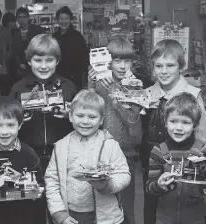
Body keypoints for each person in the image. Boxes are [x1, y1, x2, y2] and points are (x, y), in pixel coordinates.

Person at [140, 39, 206, 224]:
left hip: (187, 168)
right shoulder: (146, 94)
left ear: (181, 66)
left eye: (170, 65)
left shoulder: (193, 95)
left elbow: (202, 135)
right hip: (153, 163)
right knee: (152, 212)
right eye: (158, 66)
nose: (164, 71)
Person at [45, 89, 131, 224]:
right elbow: (52, 181)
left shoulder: (110, 145)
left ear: (101, 120)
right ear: (70, 116)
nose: (85, 121)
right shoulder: (60, 147)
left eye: (92, 117)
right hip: (71, 214)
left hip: (105, 217)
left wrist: (107, 185)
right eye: (80, 116)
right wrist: (59, 213)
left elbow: (124, 175)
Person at [88, 37, 142, 224]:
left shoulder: (136, 87)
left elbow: (136, 134)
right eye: (117, 60)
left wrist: (115, 96)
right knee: (99, 212)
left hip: (125, 157)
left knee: (126, 211)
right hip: (97, 156)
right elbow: (87, 119)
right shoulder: (98, 84)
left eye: (127, 61)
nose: (122, 66)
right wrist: (90, 88)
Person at [10, 34, 77, 173]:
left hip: (63, 155)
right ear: (29, 61)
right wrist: (17, 120)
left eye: (49, 60)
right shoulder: (18, 89)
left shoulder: (68, 87)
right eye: (38, 60)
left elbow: (84, 121)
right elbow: (5, 123)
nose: (44, 66)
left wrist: (70, 117)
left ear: (57, 61)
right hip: (28, 155)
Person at [0, 96, 46, 224]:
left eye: (11, 125)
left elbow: (40, 186)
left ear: (20, 125)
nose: (5, 132)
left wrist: (35, 190)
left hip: (25, 218)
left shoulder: (29, 154)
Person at [146, 92, 206, 224]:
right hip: (164, 219)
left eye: (186, 122)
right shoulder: (158, 152)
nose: (179, 128)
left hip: (197, 219)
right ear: (165, 122)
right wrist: (158, 184)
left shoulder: (203, 151)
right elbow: (150, 188)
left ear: (195, 125)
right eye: (173, 121)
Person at [53, 6, 89, 89]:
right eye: (61, 18)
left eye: (66, 18)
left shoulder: (77, 36)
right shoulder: (54, 36)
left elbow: (84, 57)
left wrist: (81, 74)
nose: (64, 21)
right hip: (57, 76)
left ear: (70, 20)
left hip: (74, 77)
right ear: (57, 20)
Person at [13, 7, 44, 79]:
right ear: (17, 19)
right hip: (22, 67)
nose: (22, 20)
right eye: (20, 17)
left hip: (37, 64)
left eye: (24, 17)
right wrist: (19, 63)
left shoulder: (37, 30)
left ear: (28, 18)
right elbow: (14, 51)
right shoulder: (15, 33)